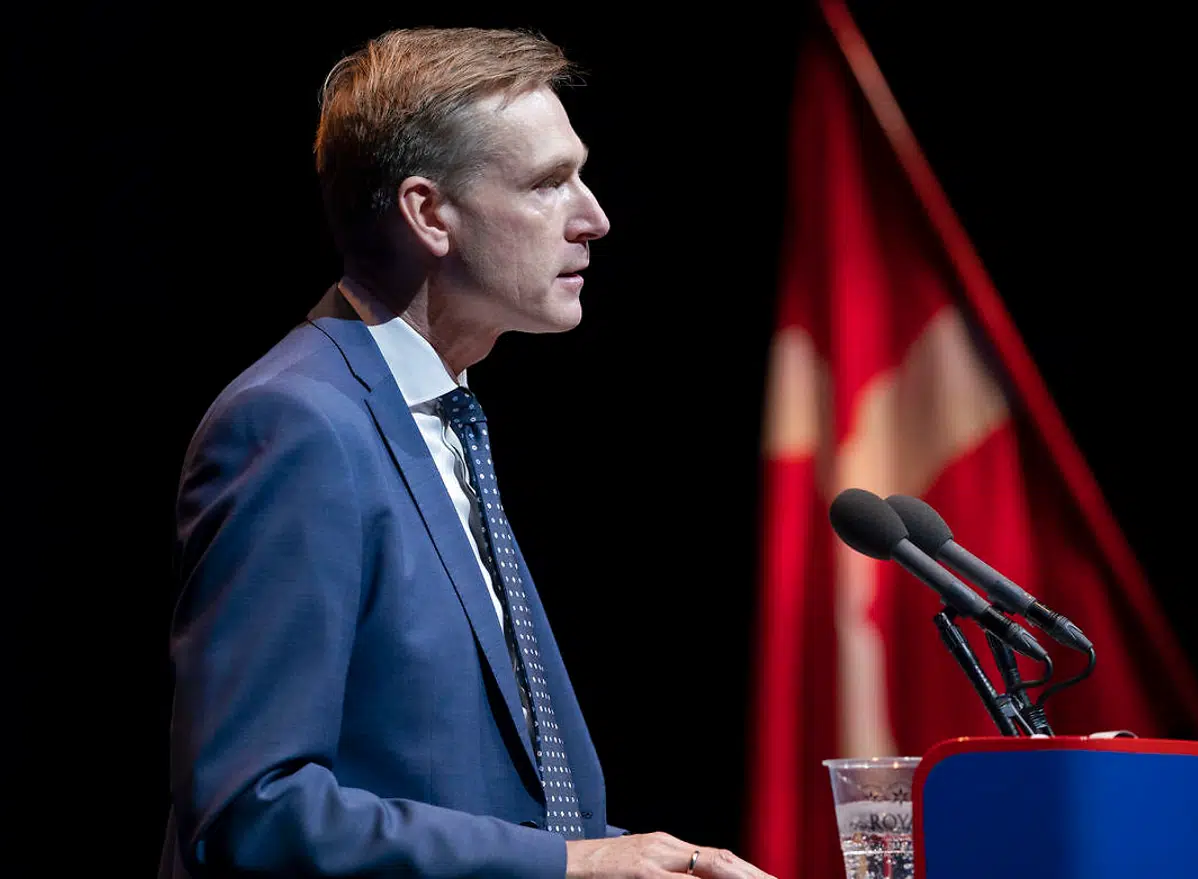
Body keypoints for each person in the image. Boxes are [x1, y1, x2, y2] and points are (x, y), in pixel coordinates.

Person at [158, 26, 774, 879]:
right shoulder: (297, 426)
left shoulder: (440, 418)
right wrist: (573, 865)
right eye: (549, 183)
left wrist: (664, 865)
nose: (594, 217)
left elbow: (487, 802)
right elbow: (252, 811)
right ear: (428, 213)